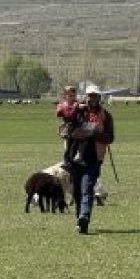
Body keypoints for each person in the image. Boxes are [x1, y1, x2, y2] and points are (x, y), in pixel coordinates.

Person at [67, 83, 114, 235]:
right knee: (76, 192)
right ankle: (80, 221)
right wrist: (80, 131)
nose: (92, 98)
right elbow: (67, 128)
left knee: (87, 188)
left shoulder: (106, 116)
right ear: (85, 96)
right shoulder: (77, 112)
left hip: (94, 158)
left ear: (99, 98)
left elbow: (110, 137)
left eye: (95, 96)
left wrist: (95, 133)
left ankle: (84, 217)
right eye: (90, 95)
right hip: (74, 157)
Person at [55, 85, 82, 168]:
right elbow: (68, 115)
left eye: (74, 95)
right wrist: (75, 107)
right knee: (68, 146)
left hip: (78, 127)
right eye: (70, 96)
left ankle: (76, 159)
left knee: (77, 145)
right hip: (68, 128)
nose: (72, 97)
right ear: (65, 96)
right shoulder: (62, 105)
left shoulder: (78, 104)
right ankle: (66, 161)